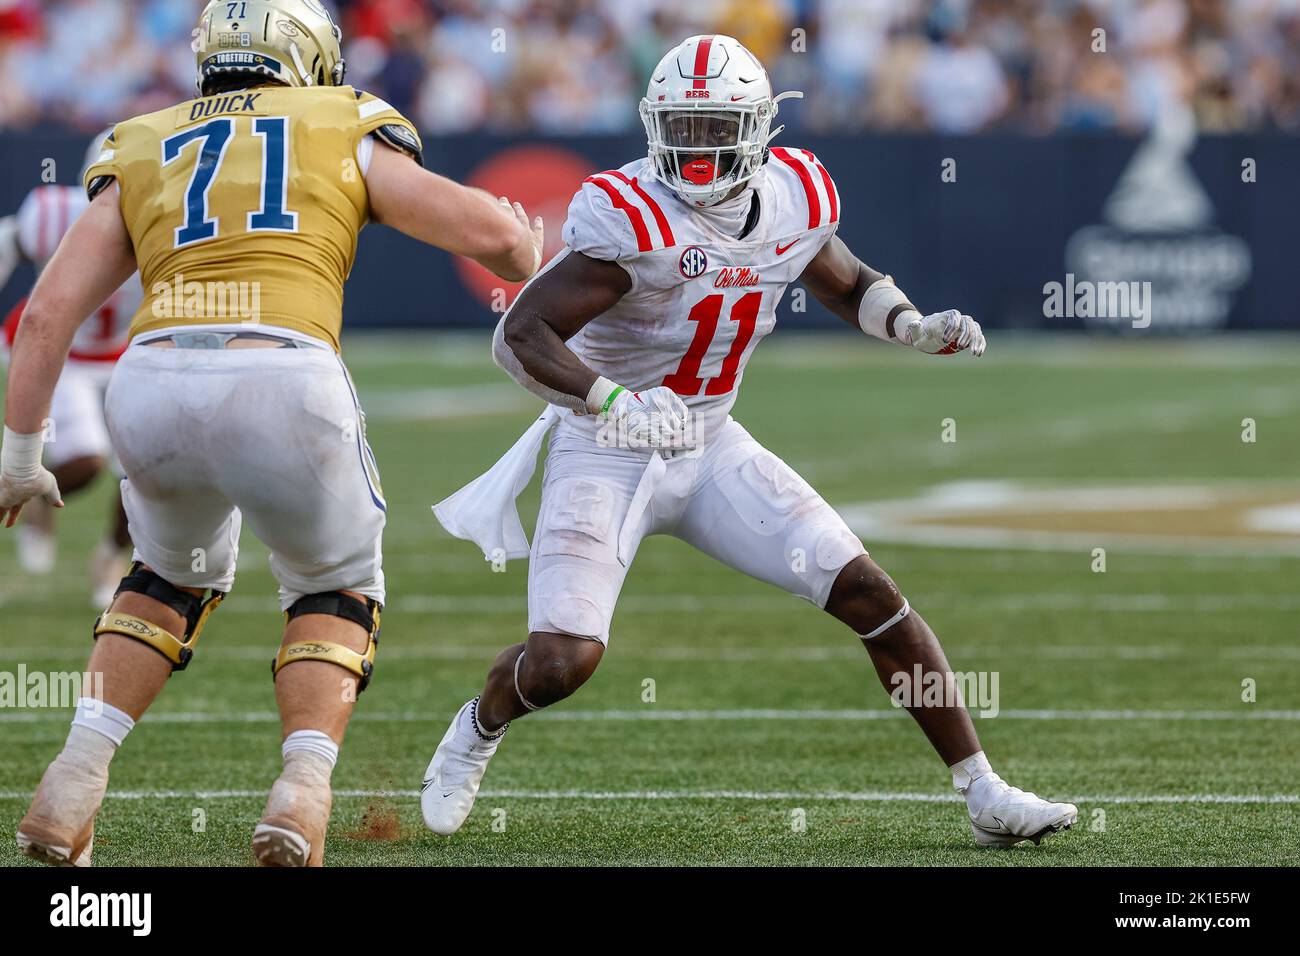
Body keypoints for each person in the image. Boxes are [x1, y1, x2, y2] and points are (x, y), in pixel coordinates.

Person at [426, 34, 1076, 849]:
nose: (696, 148)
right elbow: (520, 334)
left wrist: (908, 323)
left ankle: (984, 793)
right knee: (563, 663)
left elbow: (840, 276)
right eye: (681, 128)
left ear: (759, 127)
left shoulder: (796, 193)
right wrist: (614, 400)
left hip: (710, 443)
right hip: (607, 445)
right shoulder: (629, 214)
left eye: (713, 128)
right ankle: (478, 727)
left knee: (871, 594)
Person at [1, 0, 543, 867]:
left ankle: (74, 774)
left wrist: (21, 458)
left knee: (166, 575)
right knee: (335, 585)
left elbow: (46, 318)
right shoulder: (341, 116)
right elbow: (482, 231)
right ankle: (301, 789)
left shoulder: (140, 139)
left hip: (151, 378)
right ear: (308, 54)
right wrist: (523, 246)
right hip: (282, 370)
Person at [0, 132, 138, 606]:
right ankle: (39, 502)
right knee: (85, 461)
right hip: (59, 353)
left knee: (144, 474)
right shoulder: (54, 211)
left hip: (123, 353)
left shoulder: (167, 221)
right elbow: (9, 241)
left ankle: (111, 554)